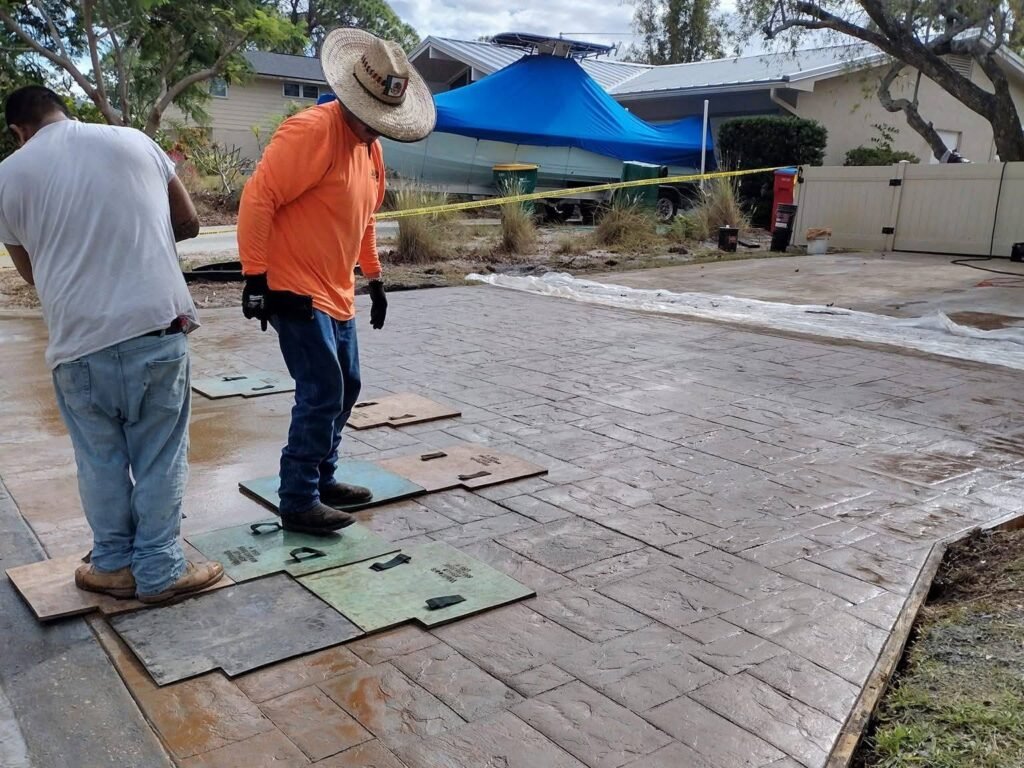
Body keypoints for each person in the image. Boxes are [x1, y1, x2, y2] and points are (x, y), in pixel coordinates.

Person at [0, 86, 224, 603]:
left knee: (98, 460)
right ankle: (160, 568)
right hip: (153, 328)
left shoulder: (7, 175)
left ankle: (112, 564)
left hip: (77, 345)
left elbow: (31, 274)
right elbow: (189, 222)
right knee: (160, 455)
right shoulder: (132, 140)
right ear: (62, 111)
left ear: (18, 131)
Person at [238, 29, 435, 534]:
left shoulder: (370, 150)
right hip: (292, 287)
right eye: (370, 119)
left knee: (348, 387)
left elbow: (363, 218)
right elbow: (258, 199)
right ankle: (298, 498)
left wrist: (375, 279)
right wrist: (256, 278)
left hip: (337, 289)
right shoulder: (312, 132)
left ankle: (323, 478)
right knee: (322, 389)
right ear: (350, 96)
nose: (375, 130)